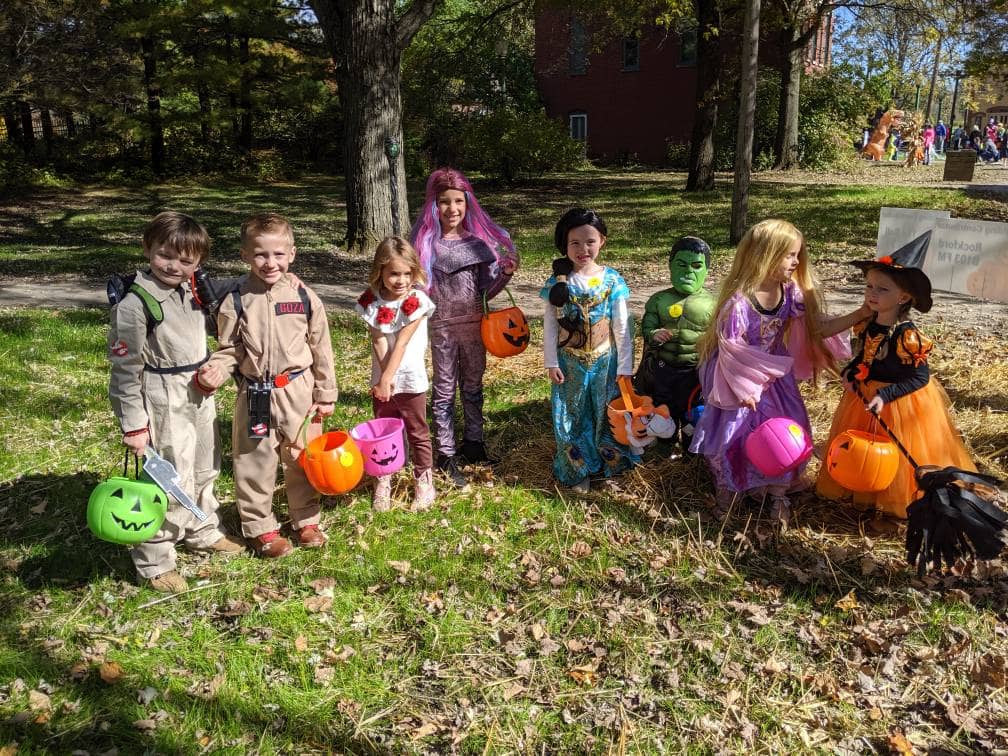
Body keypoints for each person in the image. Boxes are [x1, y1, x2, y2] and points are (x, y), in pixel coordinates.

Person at [689, 219, 869, 527]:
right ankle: (729, 493)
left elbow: (818, 328)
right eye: (788, 255)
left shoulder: (791, 294)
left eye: (797, 254)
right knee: (737, 433)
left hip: (776, 376)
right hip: (740, 380)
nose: (796, 262)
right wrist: (745, 390)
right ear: (764, 255)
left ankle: (778, 494)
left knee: (786, 431)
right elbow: (732, 351)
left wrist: (860, 314)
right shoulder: (740, 303)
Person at [107, 211, 244, 593]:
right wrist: (133, 423)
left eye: (186, 261)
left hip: (199, 391)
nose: (174, 266)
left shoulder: (194, 291)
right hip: (163, 396)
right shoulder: (135, 304)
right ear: (148, 249)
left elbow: (220, 343)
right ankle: (155, 559)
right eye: (165, 255)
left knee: (205, 463)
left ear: (198, 262)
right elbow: (124, 370)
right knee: (169, 477)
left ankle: (201, 528)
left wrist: (217, 367)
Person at [197, 213, 337, 558]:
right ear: (245, 256)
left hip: (299, 391)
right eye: (260, 254)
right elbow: (229, 348)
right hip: (255, 393)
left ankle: (306, 520)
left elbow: (321, 347)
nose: (269, 262)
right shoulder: (237, 300)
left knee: (302, 457)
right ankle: (261, 528)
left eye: (278, 254)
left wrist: (326, 393)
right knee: (253, 461)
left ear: (292, 254)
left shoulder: (305, 297)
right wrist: (216, 367)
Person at [816, 237, 977, 518]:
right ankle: (864, 489)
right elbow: (865, 358)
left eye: (882, 289)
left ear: (903, 297)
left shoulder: (908, 336)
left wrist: (885, 396)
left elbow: (920, 378)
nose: (872, 293)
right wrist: (851, 371)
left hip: (901, 403)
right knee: (865, 448)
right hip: (866, 398)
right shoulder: (867, 323)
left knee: (897, 455)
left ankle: (896, 499)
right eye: (868, 286)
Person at [409, 168, 519, 487]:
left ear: (468, 203)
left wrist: (505, 275)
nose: (452, 209)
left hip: (474, 328)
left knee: (473, 386)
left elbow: (485, 293)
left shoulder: (476, 246)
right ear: (434, 206)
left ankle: (474, 443)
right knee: (444, 391)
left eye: (459, 201)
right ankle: (446, 453)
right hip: (442, 329)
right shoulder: (424, 247)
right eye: (445, 202)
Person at [541, 208, 637, 493]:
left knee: (606, 413)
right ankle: (577, 468)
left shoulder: (612, 282)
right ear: (565, 245)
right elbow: (549, 326)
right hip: (569, 362)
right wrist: (550, 361)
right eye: (575, 243)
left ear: (602, 241)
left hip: (605, 362)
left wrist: (625, 367)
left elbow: (622, 327)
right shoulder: (558, 284)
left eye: (590, 241)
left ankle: (611, 465)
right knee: (572, 415)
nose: (584, 249)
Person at [355, 237, 437, 511]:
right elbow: (379, 339)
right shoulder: (371, 302)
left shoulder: (417, 301)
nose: (401, 280)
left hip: (410, 379)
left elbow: (401, 343)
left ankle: (423, 479)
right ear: (381, 272)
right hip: (383, 383)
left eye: (406, 273)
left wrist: (388, 377)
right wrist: (383, 380)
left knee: (417, 430)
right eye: (393, 273)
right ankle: (384, 479)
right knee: (384, 431)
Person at [639, 236, 716, 456]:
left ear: (706, 270)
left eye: (696, 265)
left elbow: (722, 338)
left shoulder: (714, 304)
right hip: (664, 369)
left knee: (694, 411)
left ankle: (692, 449)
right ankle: (665, 445)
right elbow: (647, 327)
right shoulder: (658, 300)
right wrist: (654, 334)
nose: (688, 272)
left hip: (695, 371)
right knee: (664, 409)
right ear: (671, 266)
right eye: (682, 264)